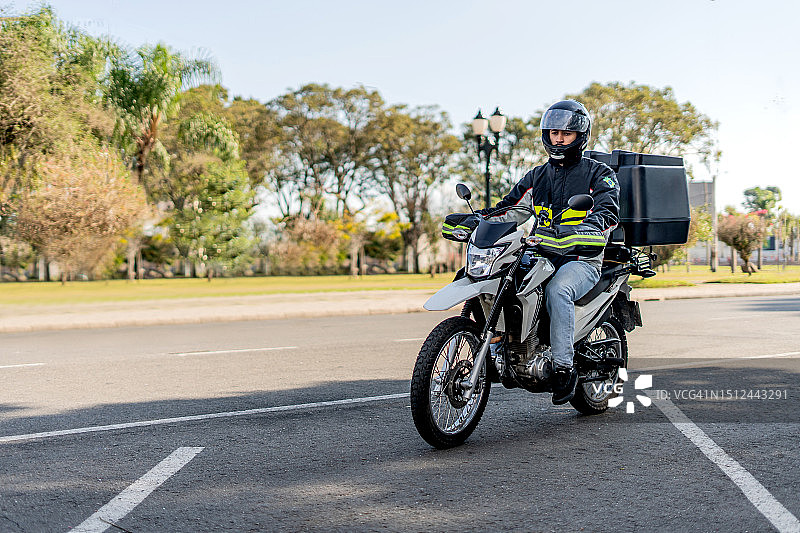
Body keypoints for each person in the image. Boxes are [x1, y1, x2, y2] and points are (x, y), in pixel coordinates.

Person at [478, 100, 620, 405]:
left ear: (579, 136)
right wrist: (477, 219)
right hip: (541, 254)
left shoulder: (599, 174)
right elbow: (510, 208)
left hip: (581, 258)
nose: (558, 139)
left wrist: (586, 231)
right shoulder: (537, 176)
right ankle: (498, 347)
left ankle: (564, 369)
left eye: (565, 134)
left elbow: (607, 212)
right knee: (498, 278)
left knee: (558, 290)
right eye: (554, 132)